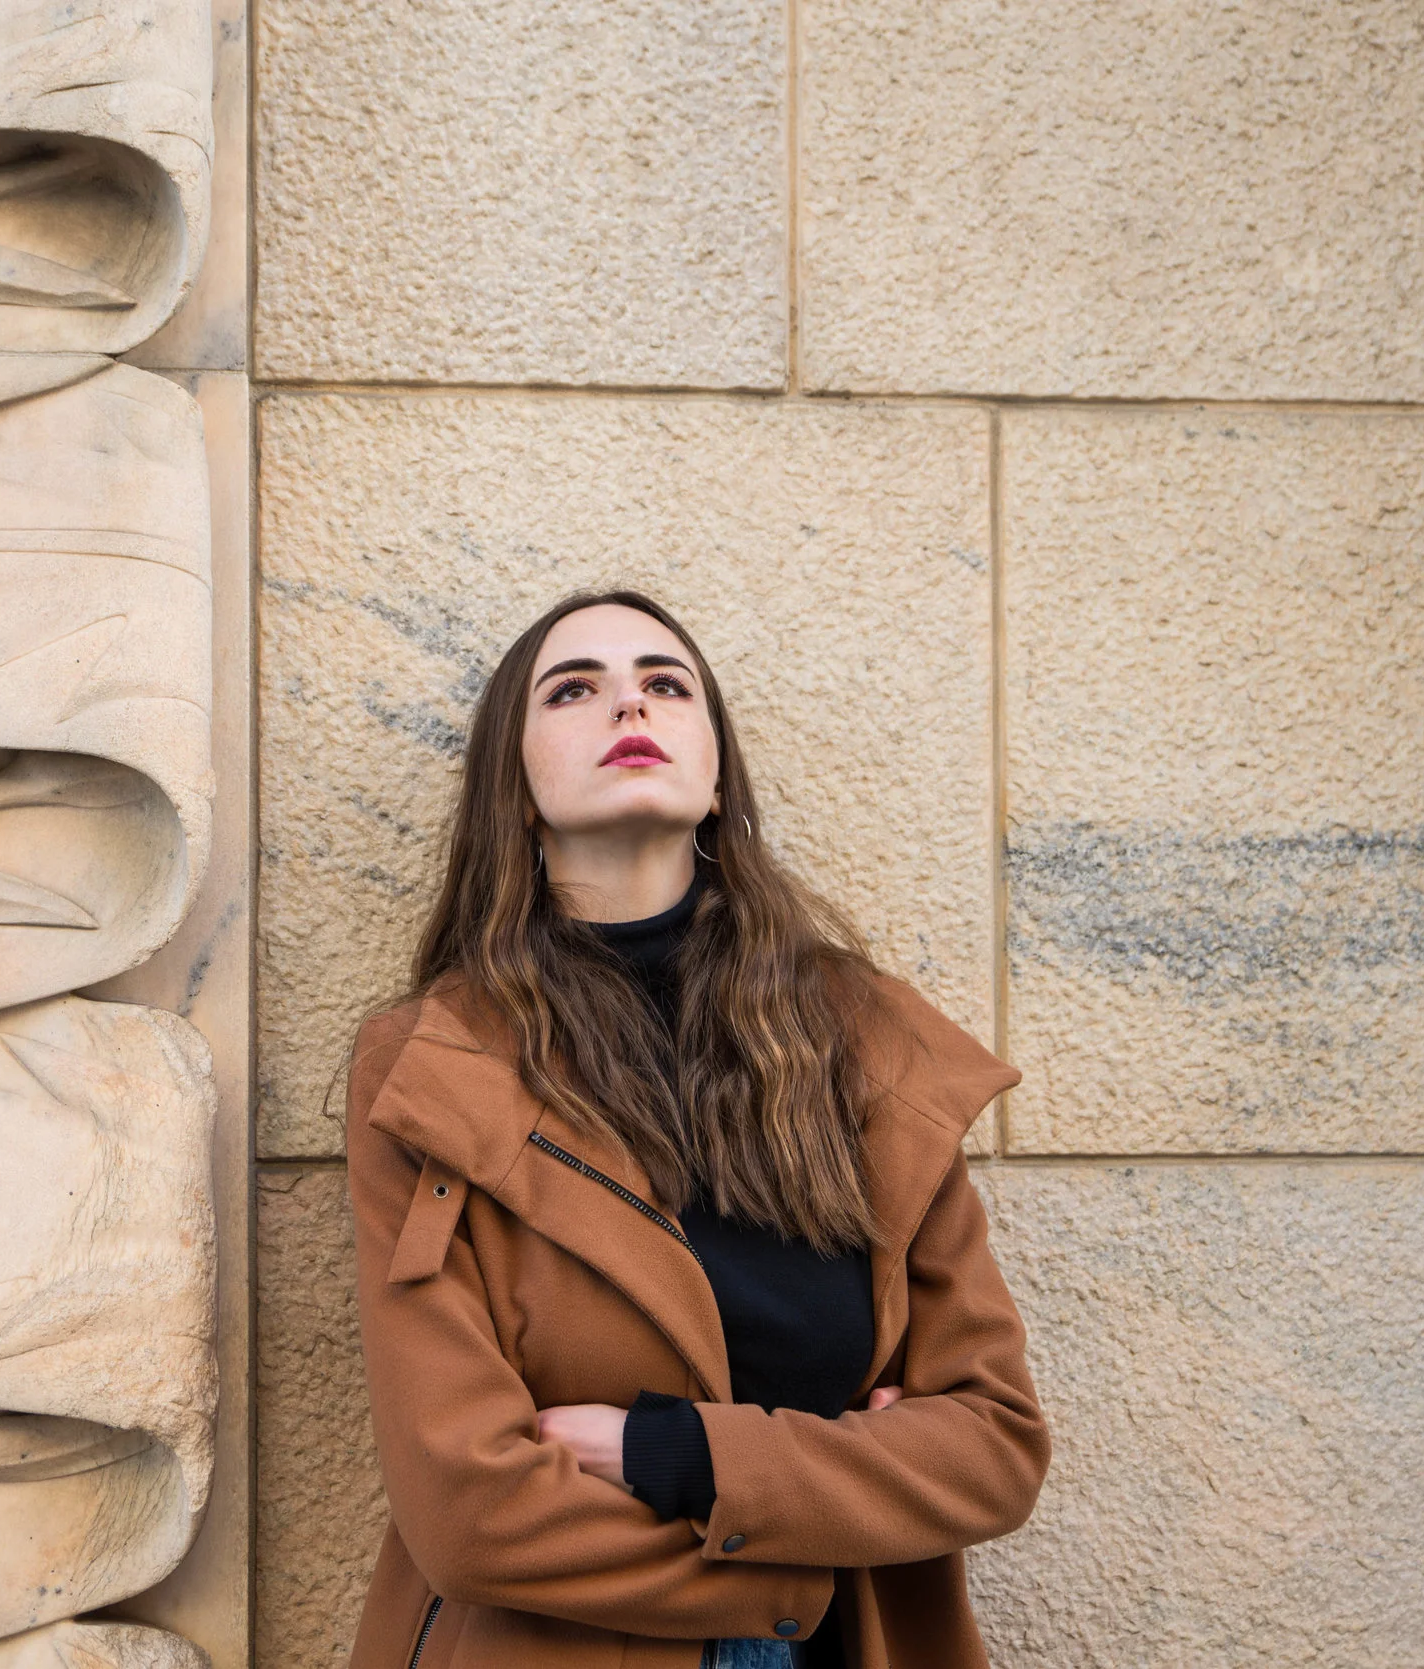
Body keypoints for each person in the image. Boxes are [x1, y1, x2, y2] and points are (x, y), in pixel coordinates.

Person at [344, 591, 1048, 1669]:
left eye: (665, 684)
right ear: (515, 789)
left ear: (718, 779)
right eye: (572, 689)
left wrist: (670, 1453)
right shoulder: (431, 1070)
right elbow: (466, 1512)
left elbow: (992, 1447)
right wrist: (824, 1530)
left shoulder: (870, 1044)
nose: (629, 703)